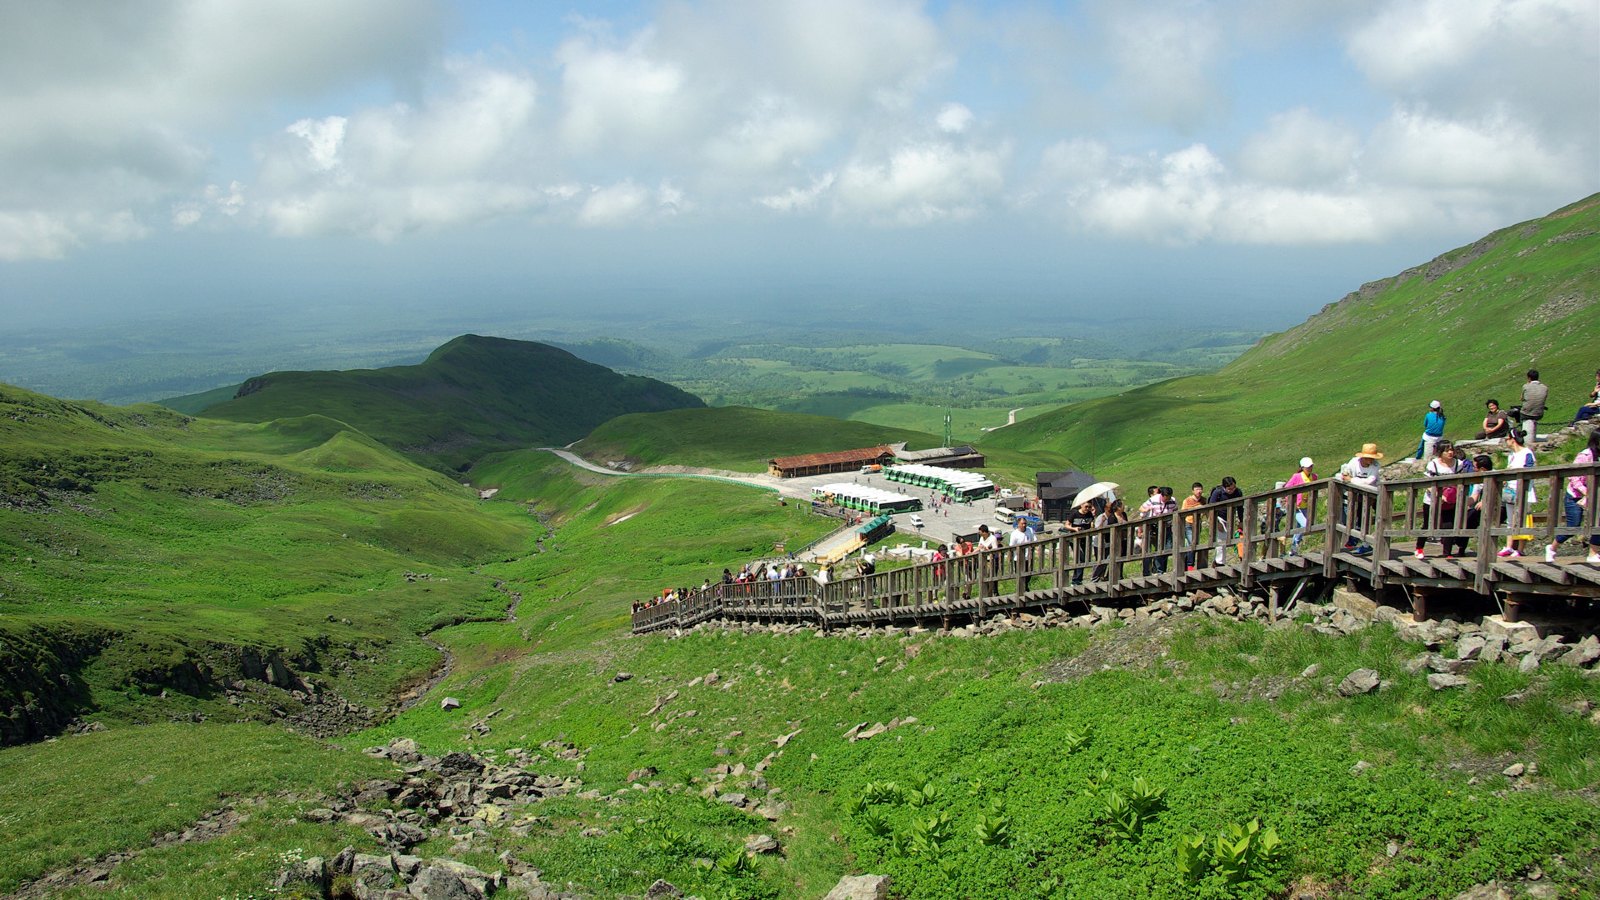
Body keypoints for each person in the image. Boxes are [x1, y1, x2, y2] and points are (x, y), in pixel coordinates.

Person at [1547, 430, 1600, 563]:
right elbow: (1574, 476)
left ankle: (1593, 553)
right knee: (1573, 526)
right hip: (1576, 495)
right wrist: (1585, 492)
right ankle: (1552, 547)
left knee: (1598, 523)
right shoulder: (1585, 455)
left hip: (1595, 495)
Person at [1415, 441, 1465, 559]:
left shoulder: (1459, 464)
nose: (1450, 452)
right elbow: (1427, 483)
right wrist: (1438, 495)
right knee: (1428, 524)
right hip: (1432, 499)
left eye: (1451, 450)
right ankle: (1419, 548)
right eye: (1447, 450)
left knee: (1448, 524)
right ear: (1440, 453)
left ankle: (1447, 553)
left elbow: (1461, 481)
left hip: (1450, 500)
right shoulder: (1433, 464)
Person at [1339, 443, 1384, 556]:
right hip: (1358, 496)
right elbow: (1344, 475)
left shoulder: (1376, 466)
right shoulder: (1353, 462)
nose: (1371, 460)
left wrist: (1352, 479)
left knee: (1379, 518)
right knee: (1358, 519)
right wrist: (1349, 478)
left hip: (1374, 495)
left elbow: (1369, 481)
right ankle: (1363, 543)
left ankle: (1371, 543)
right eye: (1369, 457)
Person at [1498, 429, 1537, 558]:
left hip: (1523, 490)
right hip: (1511, 490)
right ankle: (1509, 546)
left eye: (1507, 439)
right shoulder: (1511, 455)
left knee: (1523, 519)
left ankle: (1520, 549)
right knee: (1510, 519)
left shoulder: (1527, 453)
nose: (1506, 441)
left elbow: (1530, 469)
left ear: (1512, 439)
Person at [1282, 458, 1317, 554]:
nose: (1310, 468)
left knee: (1299, 527)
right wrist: (1290, 501)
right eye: (1308, 467)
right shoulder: (1297, 476)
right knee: (1305, 524)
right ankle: (1296, 543)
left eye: (1311, 466)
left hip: (1306, 506)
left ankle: (1293, 550)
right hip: (1296, 506)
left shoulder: (1314, 477)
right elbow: (1286, 488)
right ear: (1302, 467)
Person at [1139, 485, 1176, 574]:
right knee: (1158, 548)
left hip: (1166, 526)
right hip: (1155, 527)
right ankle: (1159, 570)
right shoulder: (1154, 499)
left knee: (1168, 548)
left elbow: (1176, 510)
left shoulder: (1173, 501)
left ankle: (1162, 569)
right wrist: (1147, 509)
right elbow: (1141, 508)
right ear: (1162, 495)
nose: (1167, 499)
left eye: (1169, 497)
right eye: (1166, 497)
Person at [1207, 477, 1242, 565]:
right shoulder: (1217, 492)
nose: (1232, 491)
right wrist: (1216, 522)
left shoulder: (1238, 492)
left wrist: (1241, 520)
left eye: (1233, 488)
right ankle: (1219, 562)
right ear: (1224, 487)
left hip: (1230, 518)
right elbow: (1211, 507)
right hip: (1219, 517)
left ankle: (1217, 561)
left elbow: (1240, 507)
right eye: (1229, 489)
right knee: (1221, 538)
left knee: (1228, 538)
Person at [1065, 499, 1096, 584]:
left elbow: (1092, 524)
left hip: (1085, 538)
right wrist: (1074, 528)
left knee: (1083, 558)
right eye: (1086, 506)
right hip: (1075, 539)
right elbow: (1066, 525)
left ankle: (1078, 579)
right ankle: (1076, 580)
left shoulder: (1089, 514)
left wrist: (1092, 524)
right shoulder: (1075, 513)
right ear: (1081, 505)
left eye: (1089, 507)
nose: (1087, 508)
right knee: (1080, 558)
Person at [1519, 369, 1548, 445]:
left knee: (1519, 413)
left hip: (1527, 413)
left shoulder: (1526, 386)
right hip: (1539, 413)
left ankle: (1523, 437)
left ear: (1529, 378)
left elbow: (1521, 398)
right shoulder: (1545, 387)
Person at [1180, 482, 1205, 570]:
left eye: (1200, 489)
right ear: (1193, 491)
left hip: (1198, 524)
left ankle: (1188, 564)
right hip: (1188, 524)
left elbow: (1207, 512)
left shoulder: (1203, 500)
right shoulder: (1187, 500)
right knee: (1192, 543)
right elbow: (1182, 512)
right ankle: (1190, 565)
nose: (1199, 491)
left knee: (1196, 543)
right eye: (1197, 489)